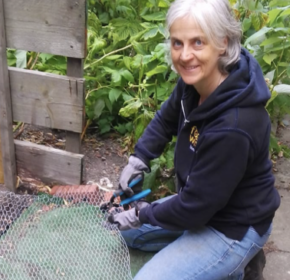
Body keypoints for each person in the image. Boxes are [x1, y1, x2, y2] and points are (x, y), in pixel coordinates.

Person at [107, 0, 281, 279]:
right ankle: (201, 257)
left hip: (232, 226)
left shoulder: (234, 126)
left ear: (222, 43)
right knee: (126, 233)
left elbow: (194, 208)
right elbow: (165, 119)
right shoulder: (195, 82)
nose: (185, 55)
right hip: (202, 204)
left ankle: (239, 261)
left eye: (198, 42)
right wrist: (139, 158)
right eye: (178, 43)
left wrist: (141, 213)